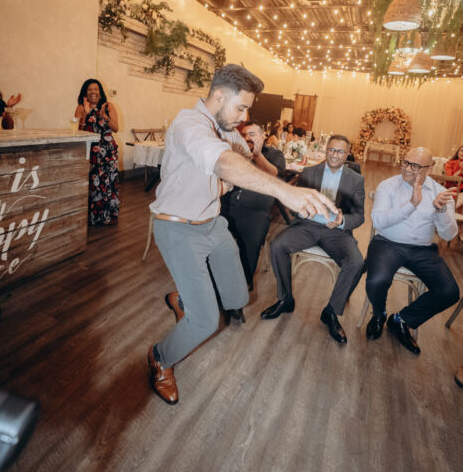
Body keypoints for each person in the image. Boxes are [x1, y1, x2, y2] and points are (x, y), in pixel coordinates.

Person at [147, 64, 337, 405]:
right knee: (206, 322)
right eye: (241, 107)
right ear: (219, 97)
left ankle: (185, 299)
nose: (245, 116)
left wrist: (258, 158)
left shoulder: (228, 130)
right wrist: (285, 193)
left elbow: (249, 163)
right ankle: (160, 358)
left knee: (237, 297)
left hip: (213, 224)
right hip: (178, 228)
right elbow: (224, 163)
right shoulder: (189, 124)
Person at [262, 135, 365, 344]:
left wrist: (343, 221)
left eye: (340, 152)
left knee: (356, 262)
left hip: (337, 231)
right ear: (326, 150)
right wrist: (300, 211)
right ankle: (285, 299)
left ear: (347, 155)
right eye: (332, 150)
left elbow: (359, 215)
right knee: (278, 245)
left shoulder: (356, 180)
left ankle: (331, 312)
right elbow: (295, 203)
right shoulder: (309, 172)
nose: (335, 155)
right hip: (307, 226)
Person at [365, 147, 459, 354]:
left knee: (449, 292)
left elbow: (449, 235)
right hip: (387, 243)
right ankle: (379, 314)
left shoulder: (440, 194)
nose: (407, 169)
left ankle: (402, 319)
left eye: (415, 166)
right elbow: (378, 221)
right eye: (405, 162)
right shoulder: (387, 186)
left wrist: (441, 211)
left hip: (423, 250)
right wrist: (411, 205)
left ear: (430, 168)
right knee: (376, 280)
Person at [221, 122, 285, 289]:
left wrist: (257, 155)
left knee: (251, 239)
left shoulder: (274, 154)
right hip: (227, 205)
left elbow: (275, 175)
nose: (247, 138)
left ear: (263, 136)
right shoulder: (234, 152)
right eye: (243, 135)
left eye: (251, 134)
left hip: (255, 211)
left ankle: (243, 285)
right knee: (209, 236)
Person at [75, 79, 119, 226]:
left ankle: (107, 216)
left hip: (108, 152)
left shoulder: (108, 106)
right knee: (92, 185)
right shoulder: (81, 107)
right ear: (85, 92)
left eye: (95, 89)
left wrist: (104, 116)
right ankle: (91, 217)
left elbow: (116, 128)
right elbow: (77, 132)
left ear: (100, 92)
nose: (92, 92)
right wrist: (85, 114)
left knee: (107, 184)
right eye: (89, 89)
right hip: (91, 151)